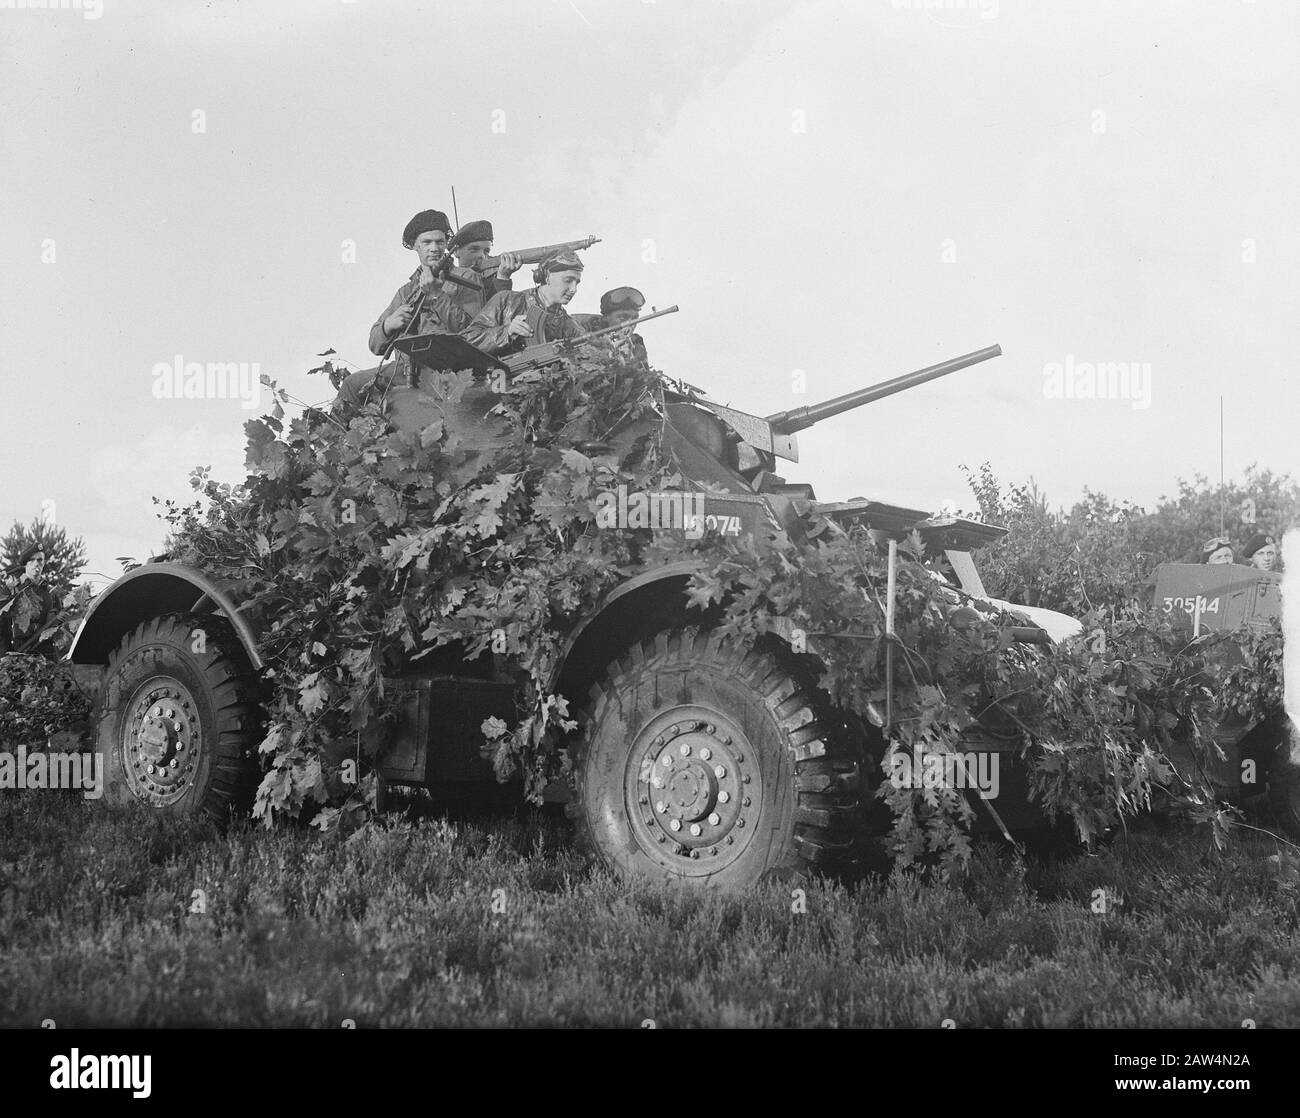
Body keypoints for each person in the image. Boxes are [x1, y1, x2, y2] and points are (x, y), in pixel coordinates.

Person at [338, 209, 469, 408]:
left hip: (447, 366)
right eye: (427, 242)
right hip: (406, 370)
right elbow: (374, 343)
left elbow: (473, 331)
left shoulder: (466, 279)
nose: (434, 248)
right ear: (415, 246)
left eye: (440, 242)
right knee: (351, 385)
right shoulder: (406, 291)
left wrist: (436, 296)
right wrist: (389, 325)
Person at [462, 251, 586, 356]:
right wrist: (506, 332)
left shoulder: (572, 328)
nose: (573, 289)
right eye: (568, 280)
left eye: (577, 283)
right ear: (547, 277)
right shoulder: (507, 301)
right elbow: (466, 340)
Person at [445, 220, 523, 319]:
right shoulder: (444, 279)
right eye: (474, 249)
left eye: (486, 251)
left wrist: (503, 278)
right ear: (456, 251)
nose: (482, 256)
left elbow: (496, 317)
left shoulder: (491, 281)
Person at [0, 544, 55, 655]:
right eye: (32, 560)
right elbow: (1, 628)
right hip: (19, 653)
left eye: (40, 560)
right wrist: (5, 654)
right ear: (25, 563)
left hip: (47, 654)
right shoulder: (12, 590)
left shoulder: (51, 592)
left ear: (44, 562)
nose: (36, 563)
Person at [571, 286, 649, 362]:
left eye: (635, 318)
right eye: (622, 318)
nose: (630, 323)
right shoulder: (580, 330)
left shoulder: (635, 342)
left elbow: (643, 373)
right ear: (606, 317)